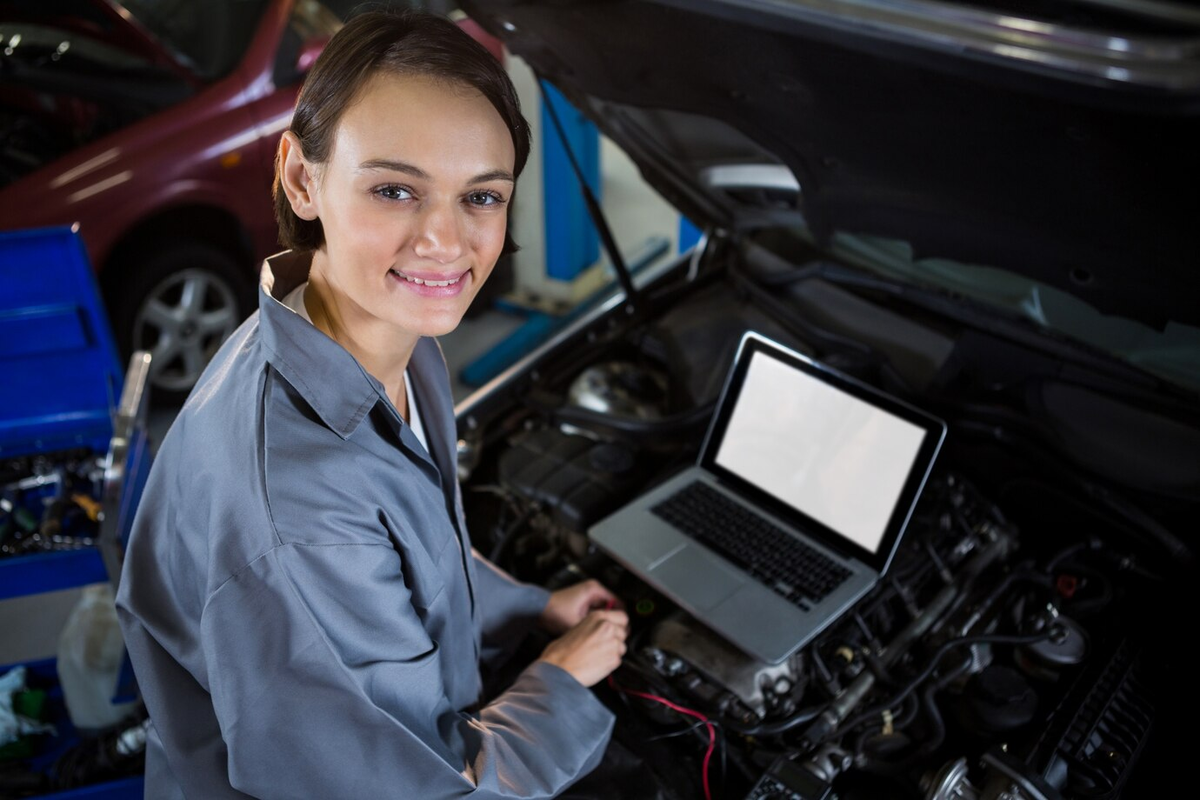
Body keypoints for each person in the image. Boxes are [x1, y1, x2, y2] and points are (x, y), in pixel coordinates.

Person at [115, 11, 630, 798]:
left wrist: (533, 606)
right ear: (301, 178)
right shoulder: (295, 511)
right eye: (395, 189)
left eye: (481, 197)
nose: (444, 242)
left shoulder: (377, 332)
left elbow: (414, 546)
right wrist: (559, 679)